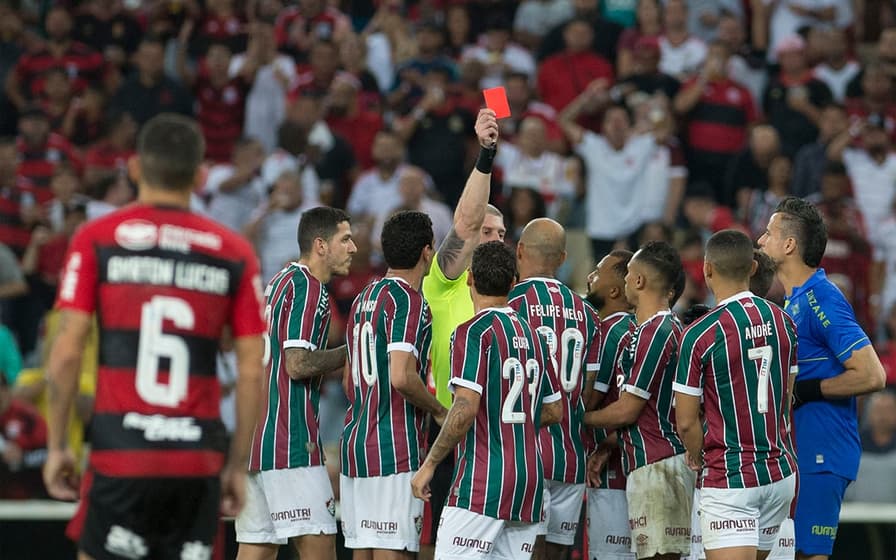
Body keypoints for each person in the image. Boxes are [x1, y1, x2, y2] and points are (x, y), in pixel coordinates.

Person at [42, 114, 267, 559]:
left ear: (134, 168)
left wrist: (58, 446)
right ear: (201, 175)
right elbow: (251, 370)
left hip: (120, 455)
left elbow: (66, 353)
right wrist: (237, 466)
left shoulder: (96, 239)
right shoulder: (234, 252)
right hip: (196, 459)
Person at [411, 241, 563, 560]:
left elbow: (465, 409)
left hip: (484, 480)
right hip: (529, 483)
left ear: (470, 278)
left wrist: (430, 465)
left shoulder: (473, 332)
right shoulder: (535, 335)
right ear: (512, 283)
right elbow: (554, 409)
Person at [758, 197, 886, 559]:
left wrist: (809, 389)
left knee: (808, 555)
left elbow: (872, 374)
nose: (760, 241)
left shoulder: (821, 299)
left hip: (822, 451)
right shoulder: (792, 302)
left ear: (789, 245)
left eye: (769, 233)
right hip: (798, 451)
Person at [236, 207, 357, 560]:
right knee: (320, 544)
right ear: (320, 245)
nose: (353, 247)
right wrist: (351, 353)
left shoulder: (279, 282)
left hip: (255, 439)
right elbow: (298, 363)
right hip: (290, 441)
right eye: (345, 239)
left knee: (256, 548)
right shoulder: (309, 287)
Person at [675, 229, 798, 560]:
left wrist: (698, 456)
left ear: (707, 269)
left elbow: (686, 422)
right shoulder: (784, 323)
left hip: (732, 477)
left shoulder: (700, 333)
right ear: (754, 268)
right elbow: (785, 399)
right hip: (779, 474)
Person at [419, 108, 506, 557]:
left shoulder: (516, 302)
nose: (492, 238)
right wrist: (486, 155)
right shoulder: (446, 280)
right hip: (450, 433)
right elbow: (467, 224)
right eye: (487, 231)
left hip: (503, 443)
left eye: (501, 233)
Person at [341, 210, 449, 558]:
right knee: (394, 552)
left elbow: (348, 379)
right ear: (427, 252)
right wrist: (437, 409)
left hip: (355, 446)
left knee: (363, 552)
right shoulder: (410, 301)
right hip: (393, 449)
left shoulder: (362, 300)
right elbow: (401, 376)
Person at [583, 241, 695, 560]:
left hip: (660, 466)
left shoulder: (657, 331)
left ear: (639, 281)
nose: (626, 281)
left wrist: (576, 417)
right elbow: (649, 413)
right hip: (650, 464)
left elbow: (628, 409)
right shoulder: (649, 330)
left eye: (629, 274)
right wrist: (608, 444)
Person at [507, 218, 601, 559]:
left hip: (525, 454)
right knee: (560, 553)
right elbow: (589, 392)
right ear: (562, 259)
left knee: (525, 548)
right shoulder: (587, 313)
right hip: (571, 454)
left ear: (518, 251)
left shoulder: (509, 305)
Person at [584, 249, 637, 560]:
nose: (590, 277)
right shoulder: (639, 329)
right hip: (638, 459)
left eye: (597, 273)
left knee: (609, 553)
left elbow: (590, 399)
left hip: (613, 471)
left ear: (615, 290)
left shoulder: (608, 332)